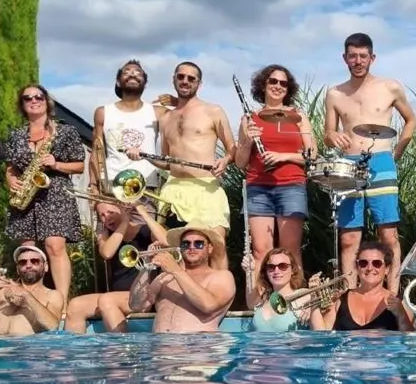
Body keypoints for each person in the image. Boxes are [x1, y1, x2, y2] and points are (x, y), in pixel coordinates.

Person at [324, 33, 416, 295]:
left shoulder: (390, 87)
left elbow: (411, 120)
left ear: (372, 58)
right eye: (352, 56)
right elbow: (328, 134)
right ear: (345, 58)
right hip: (348, 165)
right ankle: (349, 296)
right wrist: (333, 136)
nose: (357, 61)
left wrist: (397, 152)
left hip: (381, 162)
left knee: (388, 234)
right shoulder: (334, 94)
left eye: (363, 56)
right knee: (349, 237)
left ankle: (392, 295)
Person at [132, 61, 235, 241]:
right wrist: (143, 155)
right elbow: (167, 162)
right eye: (181, 76)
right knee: (169, 249)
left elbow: (232, 149)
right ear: (174, 80)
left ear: (199, 84)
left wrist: (225, 160)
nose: (185, 81)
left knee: (214, 247)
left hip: (205, 189)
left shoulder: (213, 111)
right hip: (173, 191)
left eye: (191, 78)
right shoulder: (166, 118)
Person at [4, 84, 86, 306]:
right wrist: (10, 179)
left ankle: (61, 302)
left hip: (55, 193)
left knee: (54, 246)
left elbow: (80, 165)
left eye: (38, 96)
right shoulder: (16, 135)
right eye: (27, 97)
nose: (33, 100)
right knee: (28, 250)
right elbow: (10, 167)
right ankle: (30, 300)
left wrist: (56, 163)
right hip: (26, 195)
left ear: (46, 100)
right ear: (22, 104)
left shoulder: (65, 131)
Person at [235, 64, 316, 272]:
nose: (278, 86)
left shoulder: (299, 117)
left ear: (288, 89)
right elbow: (240, 163)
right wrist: (247, 141)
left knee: (290, 250)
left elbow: (312, 156)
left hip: (291, 186)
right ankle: (262, 301)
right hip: (258, 187)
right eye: (273, 81)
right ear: (263, 85)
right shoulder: (249, 118)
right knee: (261, 250)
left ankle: (295, 300)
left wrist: (283, 157)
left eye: (283, 83)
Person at [63, 201, 169, 333]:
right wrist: (124, 222)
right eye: (101, 215)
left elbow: (167, 240)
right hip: (119, 297)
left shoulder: (144, 231)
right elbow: (107, 253)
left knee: (107, 300)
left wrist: (143, 213)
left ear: (122, 209)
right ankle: (75, 351)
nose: (106, 217)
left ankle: (122, 350)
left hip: (144, 296)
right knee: (75, 305)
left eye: (110, 212)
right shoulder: (105, 236)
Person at [127, 223, 236, 333]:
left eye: (198, 244)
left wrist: (176, 270)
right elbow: (137, 306)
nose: (191, 247)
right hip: (160, 346)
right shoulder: (165, 277)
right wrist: (146, 267)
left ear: (210, 248)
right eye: (185, 244)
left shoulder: (222, 276)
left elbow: (209, 305)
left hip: (199, 346)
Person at [90, 59, 166, 210]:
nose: (133, 74)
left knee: (144, 232)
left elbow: (188, 118)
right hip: (111, 187)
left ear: (145, 83)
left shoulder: (158, 112)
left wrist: (177, 102)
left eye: (138, 72)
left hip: (145, 187)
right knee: (109, 234)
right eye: (127, 72)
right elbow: (97, 151)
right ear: (118, 82)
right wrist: (93, 185)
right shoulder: (103, 112)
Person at [310, 241, 412, 331]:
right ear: (357, 268)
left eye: (377, 263)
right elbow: (321, 334)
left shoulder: (399, 302)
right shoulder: (340, 300)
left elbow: (411, 341)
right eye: (363, 263)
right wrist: (314, 298)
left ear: (387, 269)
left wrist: (401, 314)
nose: (370, 268)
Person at [0, 246, 63, 336]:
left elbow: (53, 326)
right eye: (23, 262)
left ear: (46, 267)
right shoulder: (4, 290)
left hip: (22, 349)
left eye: (35, 261)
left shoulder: (53, 295)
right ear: (17, 269)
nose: (28, 265)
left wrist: (26, 296)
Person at [242, 247, 315, 332]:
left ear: (292, 270)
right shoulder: (261, 301)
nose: (276, 271)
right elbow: (251, 301)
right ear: (266, 271)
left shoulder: (304, 296)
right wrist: (250, 272)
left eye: (282, 266)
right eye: (271, 267)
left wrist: (313, 308)